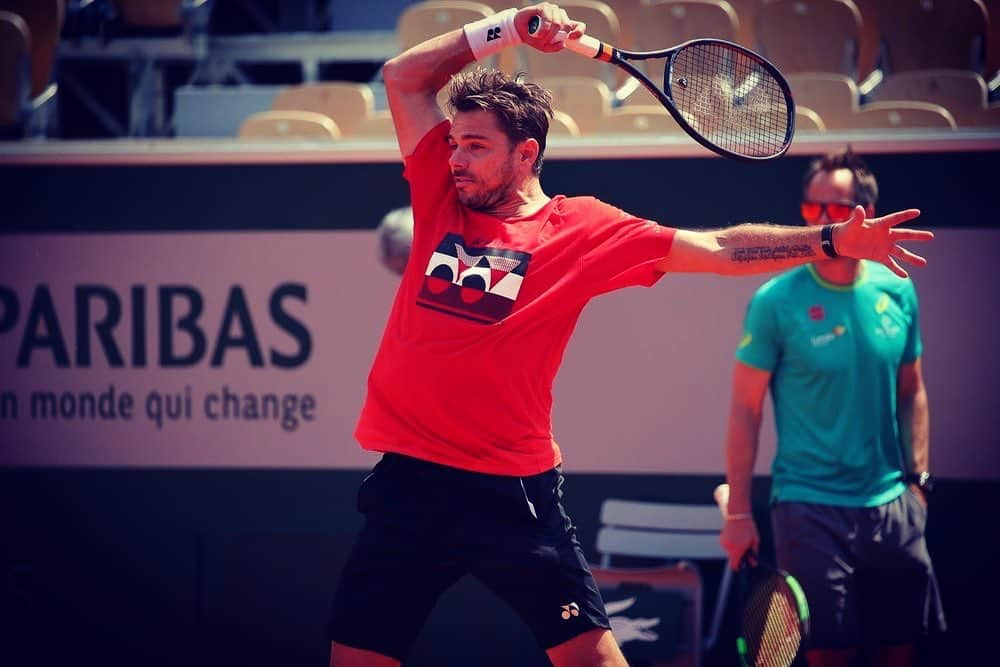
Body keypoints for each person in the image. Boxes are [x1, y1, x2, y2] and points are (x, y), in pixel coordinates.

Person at [328, 4, 933, 666]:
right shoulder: (440, 191)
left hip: (508, 492)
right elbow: (403, 76)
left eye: (475, 146)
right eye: (453, 143)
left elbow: (721, 248)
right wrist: (507, 28)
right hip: (407, 481)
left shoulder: (582, 228)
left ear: (525, 153)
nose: (457, 158)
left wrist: (828, 240)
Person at [719, 148, 946, 666]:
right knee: (830, 658)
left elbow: (912, 389)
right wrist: (738, 512)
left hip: (894, 507)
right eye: (811, 210)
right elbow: (744, 411)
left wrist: (919, 483)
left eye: (836, 211)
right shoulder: (775, 300)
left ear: (864, 214)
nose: (821, 222)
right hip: (808, 509)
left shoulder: (898, 291)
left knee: (901, 652)